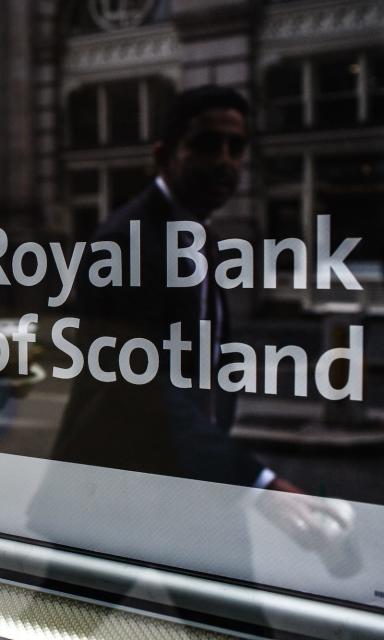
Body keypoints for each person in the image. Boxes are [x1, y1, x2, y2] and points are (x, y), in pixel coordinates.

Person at [50, 85, 298, 490]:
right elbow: (137, 387)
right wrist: (259, 482)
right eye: (206, 144)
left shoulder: (203, 237)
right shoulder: (124, 242)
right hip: (120, 487)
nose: (225, 161)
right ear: (163, 155)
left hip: (189, 473)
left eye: (236, 147)